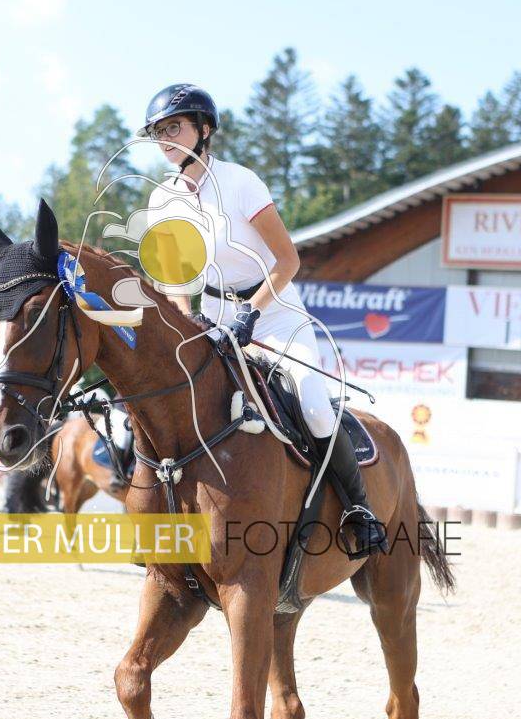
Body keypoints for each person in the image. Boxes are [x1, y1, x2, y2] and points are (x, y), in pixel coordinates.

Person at [138, 83, 387, 557]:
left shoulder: (241, 182)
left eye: (175, 128)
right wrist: (187, 318)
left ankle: (358, 508)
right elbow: (172, 275)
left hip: (275, 315)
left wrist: (250, 312)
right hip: (212, 317)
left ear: (203, 130)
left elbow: (288, 261)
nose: (165, 139)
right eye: (159, 132)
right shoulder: (161, 200)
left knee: (314, 406)